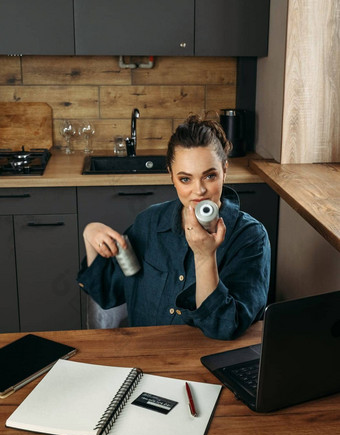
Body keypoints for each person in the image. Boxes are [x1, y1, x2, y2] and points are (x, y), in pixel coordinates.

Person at [77, 114, 271, 340]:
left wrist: (204, 257)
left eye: (209, 176)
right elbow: (107, 292)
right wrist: (90, 233)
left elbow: (225, 328)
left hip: (209, 362)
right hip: (148, 356)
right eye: (185, 179)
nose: (199, 191)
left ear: (225, 170)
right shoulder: (149, 223)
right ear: (171, 175)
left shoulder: (250, 237)